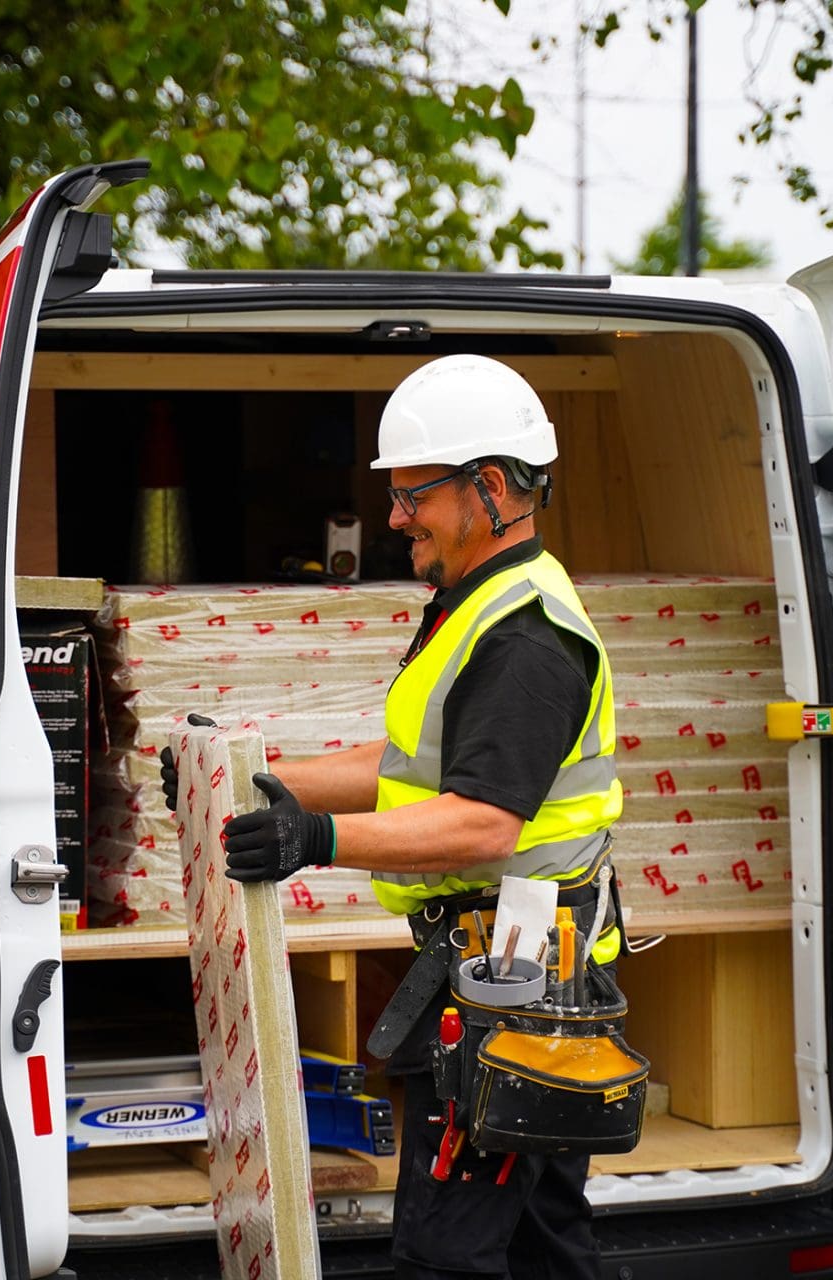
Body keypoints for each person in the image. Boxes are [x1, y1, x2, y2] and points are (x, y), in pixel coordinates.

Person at [161, 353, 625, 1280]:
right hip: (519, 979)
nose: (396, 516)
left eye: (415, 494)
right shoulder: (481, 605)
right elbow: (410, 767)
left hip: (519, 990)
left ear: (492, 489)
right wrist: (257, 783)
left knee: (447, 1256)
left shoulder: (524, 638)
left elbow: (484, 823)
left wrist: (314, 841)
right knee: (541, 1245)